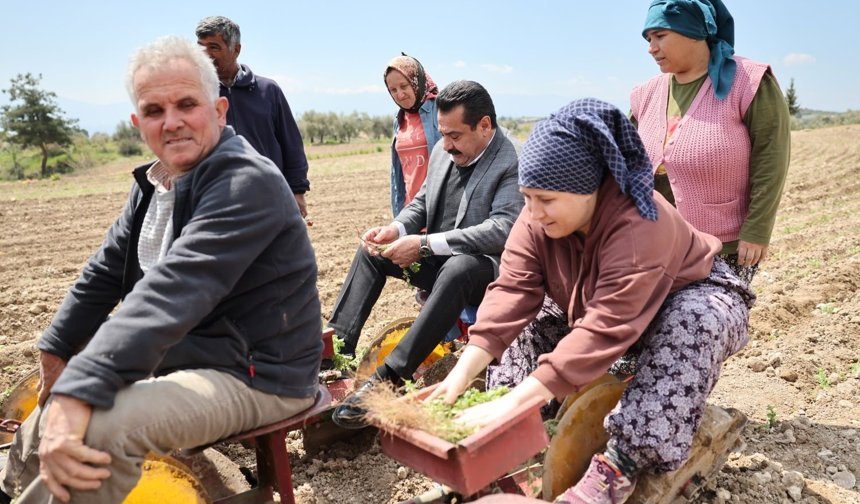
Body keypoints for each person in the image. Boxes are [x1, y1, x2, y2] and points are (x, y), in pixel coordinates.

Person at [0, 36, 322, 504]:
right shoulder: (156, 183)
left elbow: (173, 291)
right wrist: (57, 350)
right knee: (55, 407)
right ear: (138, 123)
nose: (171, 122)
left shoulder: (245, 182)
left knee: (103, 427)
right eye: (154, 111)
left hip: (260, 374)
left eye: (187, 104)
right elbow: (104, 271)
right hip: (197, 352)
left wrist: (79, 391)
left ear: (219, 111)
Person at [431, 99, 754, 504]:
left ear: (589, 187)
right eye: (527, 197)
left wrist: (519, 399)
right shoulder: (536, 218)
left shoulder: (641, 222)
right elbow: (511, 292)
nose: (533, 213)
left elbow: (606, 326)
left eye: (546, 200)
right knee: (527, 324)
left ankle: (620, 466)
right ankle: (512, 439)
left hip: (682, 298)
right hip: (598, 304)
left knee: (696, 322)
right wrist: (460, 377)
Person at [328, 80, 523, 429]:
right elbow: (421, 202)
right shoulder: (444, 151)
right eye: (443, 134)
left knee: (459, 268)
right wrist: (397, 229)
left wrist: (424, 245)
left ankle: (388, 379)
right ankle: (334, 354)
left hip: (488, 273)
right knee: (373, 253)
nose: (445, 145)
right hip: (440, 259)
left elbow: (502, 229)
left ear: (484, 126)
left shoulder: (511, 159)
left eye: (455, 136)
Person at [630, 0, 790, 285]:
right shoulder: (645, 93)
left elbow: (771, 158)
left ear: (694, 31)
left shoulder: (748, 81)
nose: (651, 48)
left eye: (660, 36)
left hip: (722, 247)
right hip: (655, 243)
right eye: (648, 39)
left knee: (711, 312)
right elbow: (620, 158)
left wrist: (757, 230)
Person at [195, 15, 312, 218]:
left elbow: (291, 144)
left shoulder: (268, 90)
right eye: (200, 47)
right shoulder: (197, 95)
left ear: (236, 50)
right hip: (218, 200)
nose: (205, 54)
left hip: (271, 196)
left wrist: (297, 191)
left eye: (214, 47)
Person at [385, 53, 443, 216]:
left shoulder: (441, 109)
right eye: (393, 90)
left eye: (404, 86)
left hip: (439, 211)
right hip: (410, 212)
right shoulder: (399, 119)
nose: (399, 94)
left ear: (417, 82)